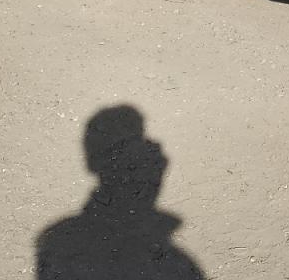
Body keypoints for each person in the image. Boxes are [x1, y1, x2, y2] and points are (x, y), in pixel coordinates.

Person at [36, 105, 203, 279]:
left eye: (151, 162)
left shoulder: (177, 265)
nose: (152, 174)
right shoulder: (66, 244)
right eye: (132, 165)